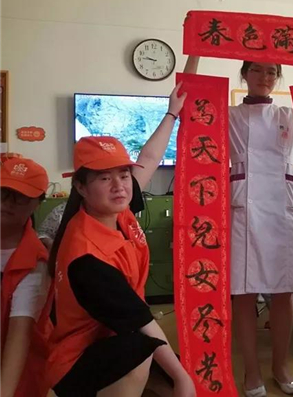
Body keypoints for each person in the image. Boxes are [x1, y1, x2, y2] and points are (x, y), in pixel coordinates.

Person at [183, 35, 293, 396]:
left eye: (271, 71)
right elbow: (188, 101)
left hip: (284, 208)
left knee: (284, 290)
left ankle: (280, 366)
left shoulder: (289, 115)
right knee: (244, 293)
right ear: (244, 74)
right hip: (244, 208)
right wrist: (195, 49)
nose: (264, 76)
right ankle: (252, 371)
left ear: (278, 77)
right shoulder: (229, 116)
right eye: (257, 70)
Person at [45, 84, 196, 397]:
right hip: (76, 361)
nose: (119, 186)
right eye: (104, 177)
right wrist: (181, 379)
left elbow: (149, 157)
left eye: (124, 175)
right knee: (145, 351)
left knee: (160, 359)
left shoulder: (118, 211)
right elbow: (140, 320)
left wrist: (172, 113)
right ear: (81, 187)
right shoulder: (86, 256)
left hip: (116, 337)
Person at [1, 155, 52, 397]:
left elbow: (19, 335)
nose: (7, 202)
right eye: (3, 192)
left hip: (17, 374)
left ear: (38, 203)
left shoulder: (35, 262)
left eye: (20, 196)